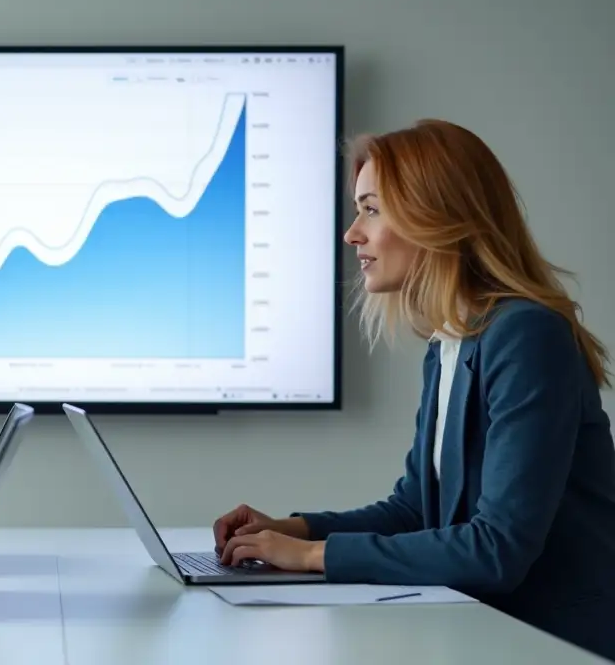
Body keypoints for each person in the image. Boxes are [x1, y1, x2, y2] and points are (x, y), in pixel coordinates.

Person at [212, 119, 615, 661]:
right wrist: (288, 530)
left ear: (438, 217)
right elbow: (416, 510)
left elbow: (496, 550)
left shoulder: (524, 336)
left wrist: (312, 556)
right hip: (485, 633)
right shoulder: (452, 342)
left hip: (553, 645)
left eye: (371, 209)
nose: (352, 232)